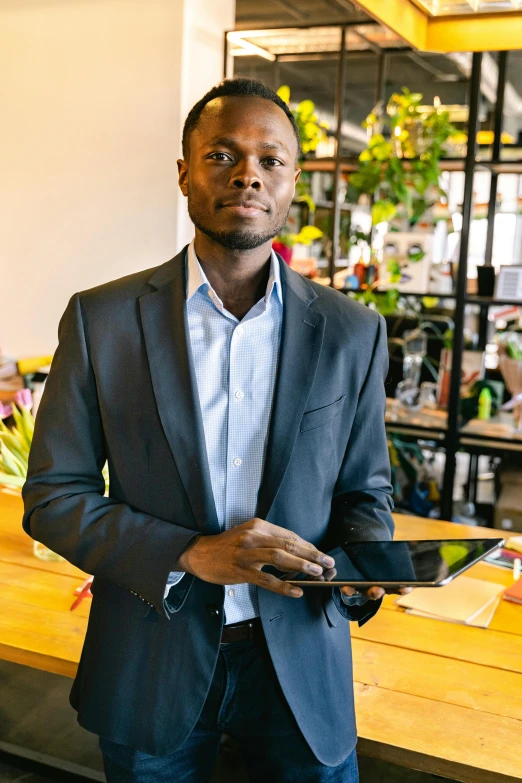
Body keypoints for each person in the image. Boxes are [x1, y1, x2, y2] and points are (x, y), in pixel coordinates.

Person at [22, 78, 410, 783]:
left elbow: (365, 492)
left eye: (271, 159)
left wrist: (362, 569)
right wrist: (192, 553)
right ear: (185, 173)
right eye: (223, 155)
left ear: (295, 180)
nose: (248, 174)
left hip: (301, 669)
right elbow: (52, 495)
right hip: (150, 664)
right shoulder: (101, 321)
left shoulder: (353, 332)